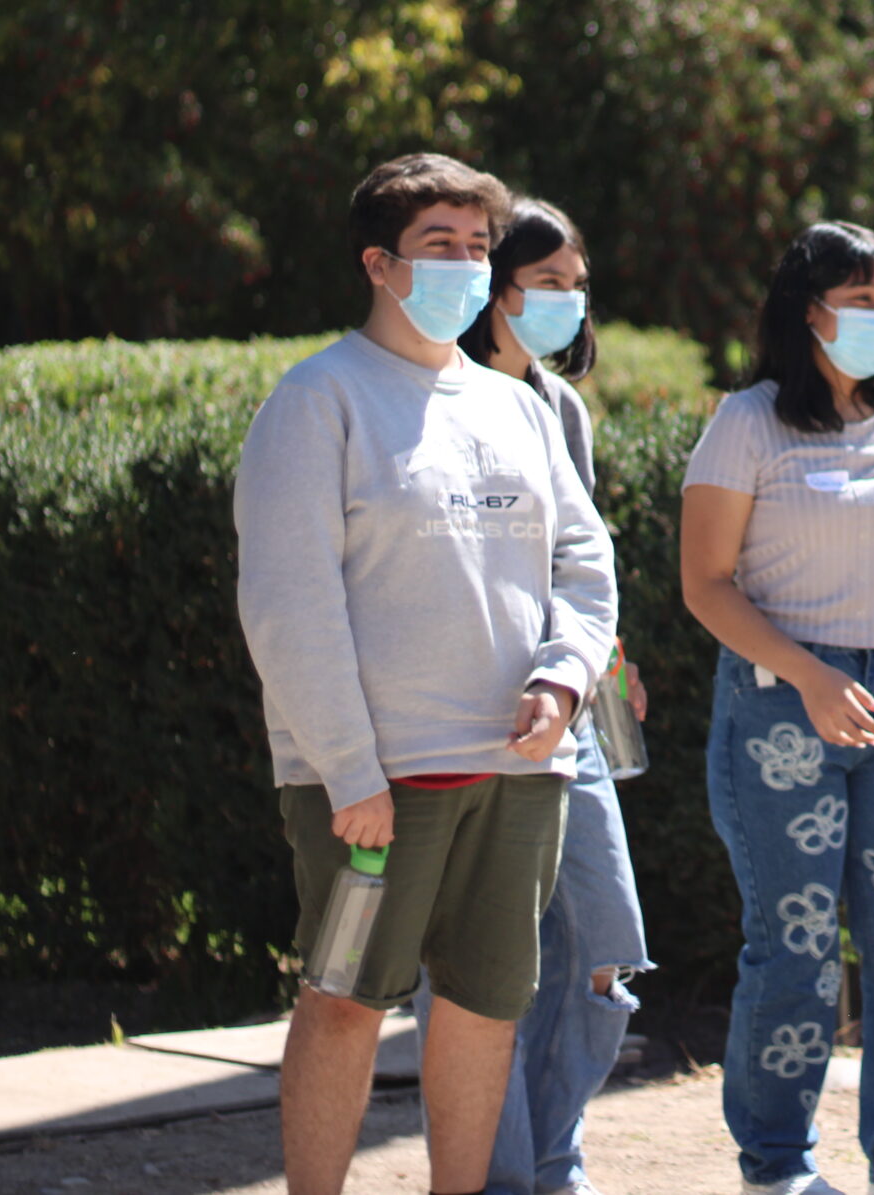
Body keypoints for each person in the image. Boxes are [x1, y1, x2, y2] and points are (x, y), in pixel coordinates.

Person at [236, 153, 618, 1195]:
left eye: (477, 246)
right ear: (379, 263)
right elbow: (288, 601)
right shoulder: (318, 400)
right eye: (438, 244)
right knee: (344, 1002)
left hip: (517, 772)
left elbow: (584, 561)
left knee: (486, 1009)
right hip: (373, 787)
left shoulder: (519, 408)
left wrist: (565, 678)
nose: (464, 264)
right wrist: (348, 768)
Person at [679, 222, 874, 1195]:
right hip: (777, 701)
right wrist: (808, 674)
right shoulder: (747, 421)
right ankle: (776, 1165)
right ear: (806, 312)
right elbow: (705, 583)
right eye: (859, 300)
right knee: (796, 944)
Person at [411, 197, 652, 1195]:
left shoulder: (561, 409)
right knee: (475, 965)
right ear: (495, 288)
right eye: (545, 281)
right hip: (460, 716)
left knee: (603, 941)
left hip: (569, 712)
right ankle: (500, 1177)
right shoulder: (430, 396)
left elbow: (578, 557)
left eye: (575, 283)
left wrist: (604, 659)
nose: (566, 300)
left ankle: (553, 1159)